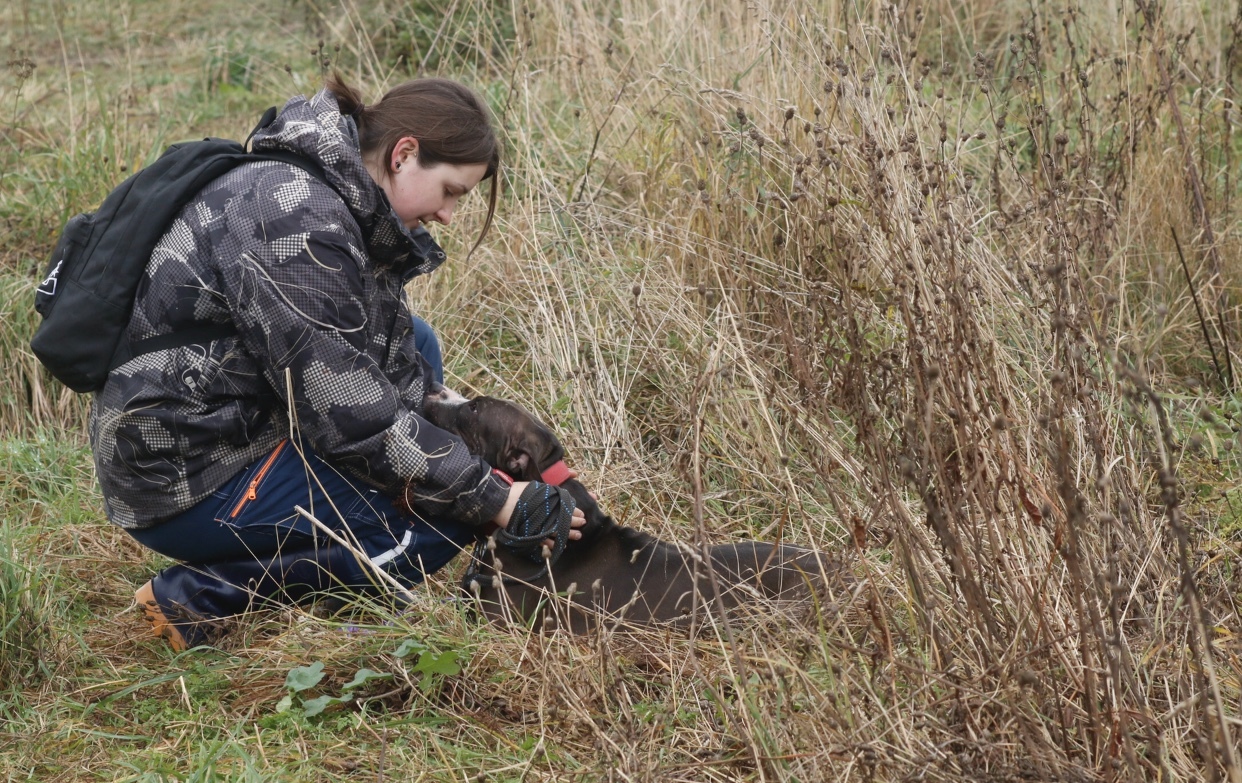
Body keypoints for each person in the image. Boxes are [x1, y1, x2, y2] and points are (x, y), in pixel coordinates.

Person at [92, 74, 584, 650]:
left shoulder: (340, 198)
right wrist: (494, 497)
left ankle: (355, 559)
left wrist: (481, 458)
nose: (449, 214)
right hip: (181, 470)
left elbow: (391, 369)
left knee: (418, 346)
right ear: (404, 155)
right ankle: (204, 596)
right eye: (451, 191)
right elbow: (353, 415)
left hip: (226, 418)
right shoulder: (295, 221)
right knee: (442, 515)